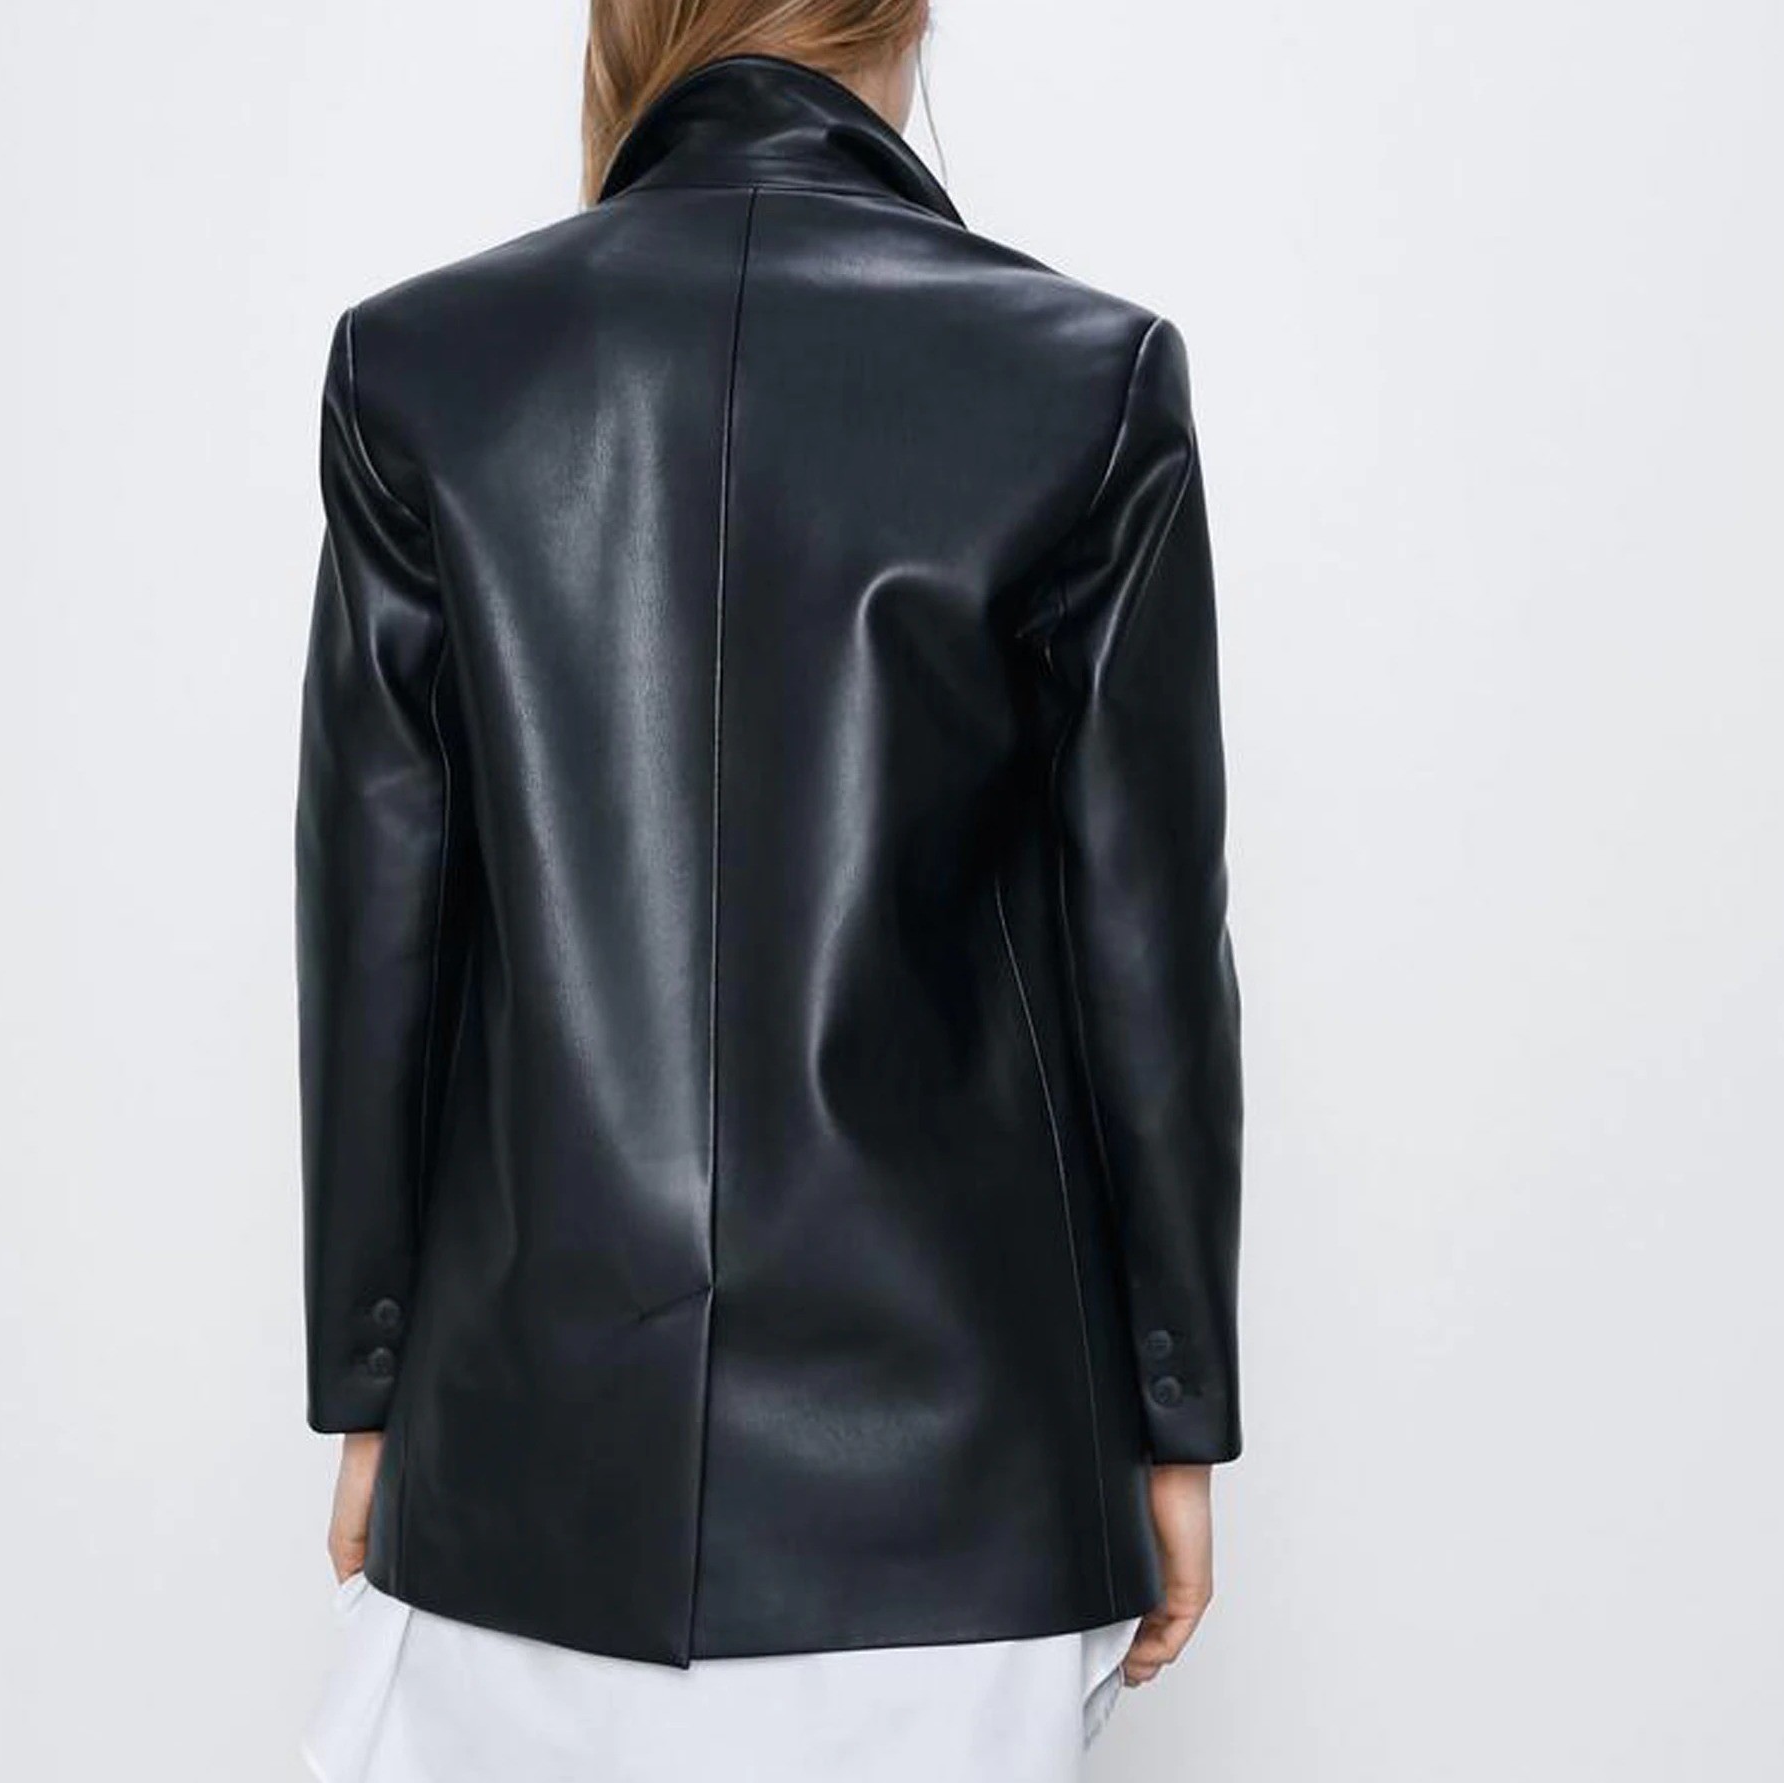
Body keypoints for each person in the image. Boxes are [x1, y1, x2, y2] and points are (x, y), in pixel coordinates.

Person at [294, 3, 1244, 1777]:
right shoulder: (1084, 376)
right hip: (961, 1482)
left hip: (533, 1452)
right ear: (902, 23)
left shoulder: (421, 367)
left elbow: (378, 927)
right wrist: (1174, 1410)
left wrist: (371, 1382)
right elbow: (1144, 947)